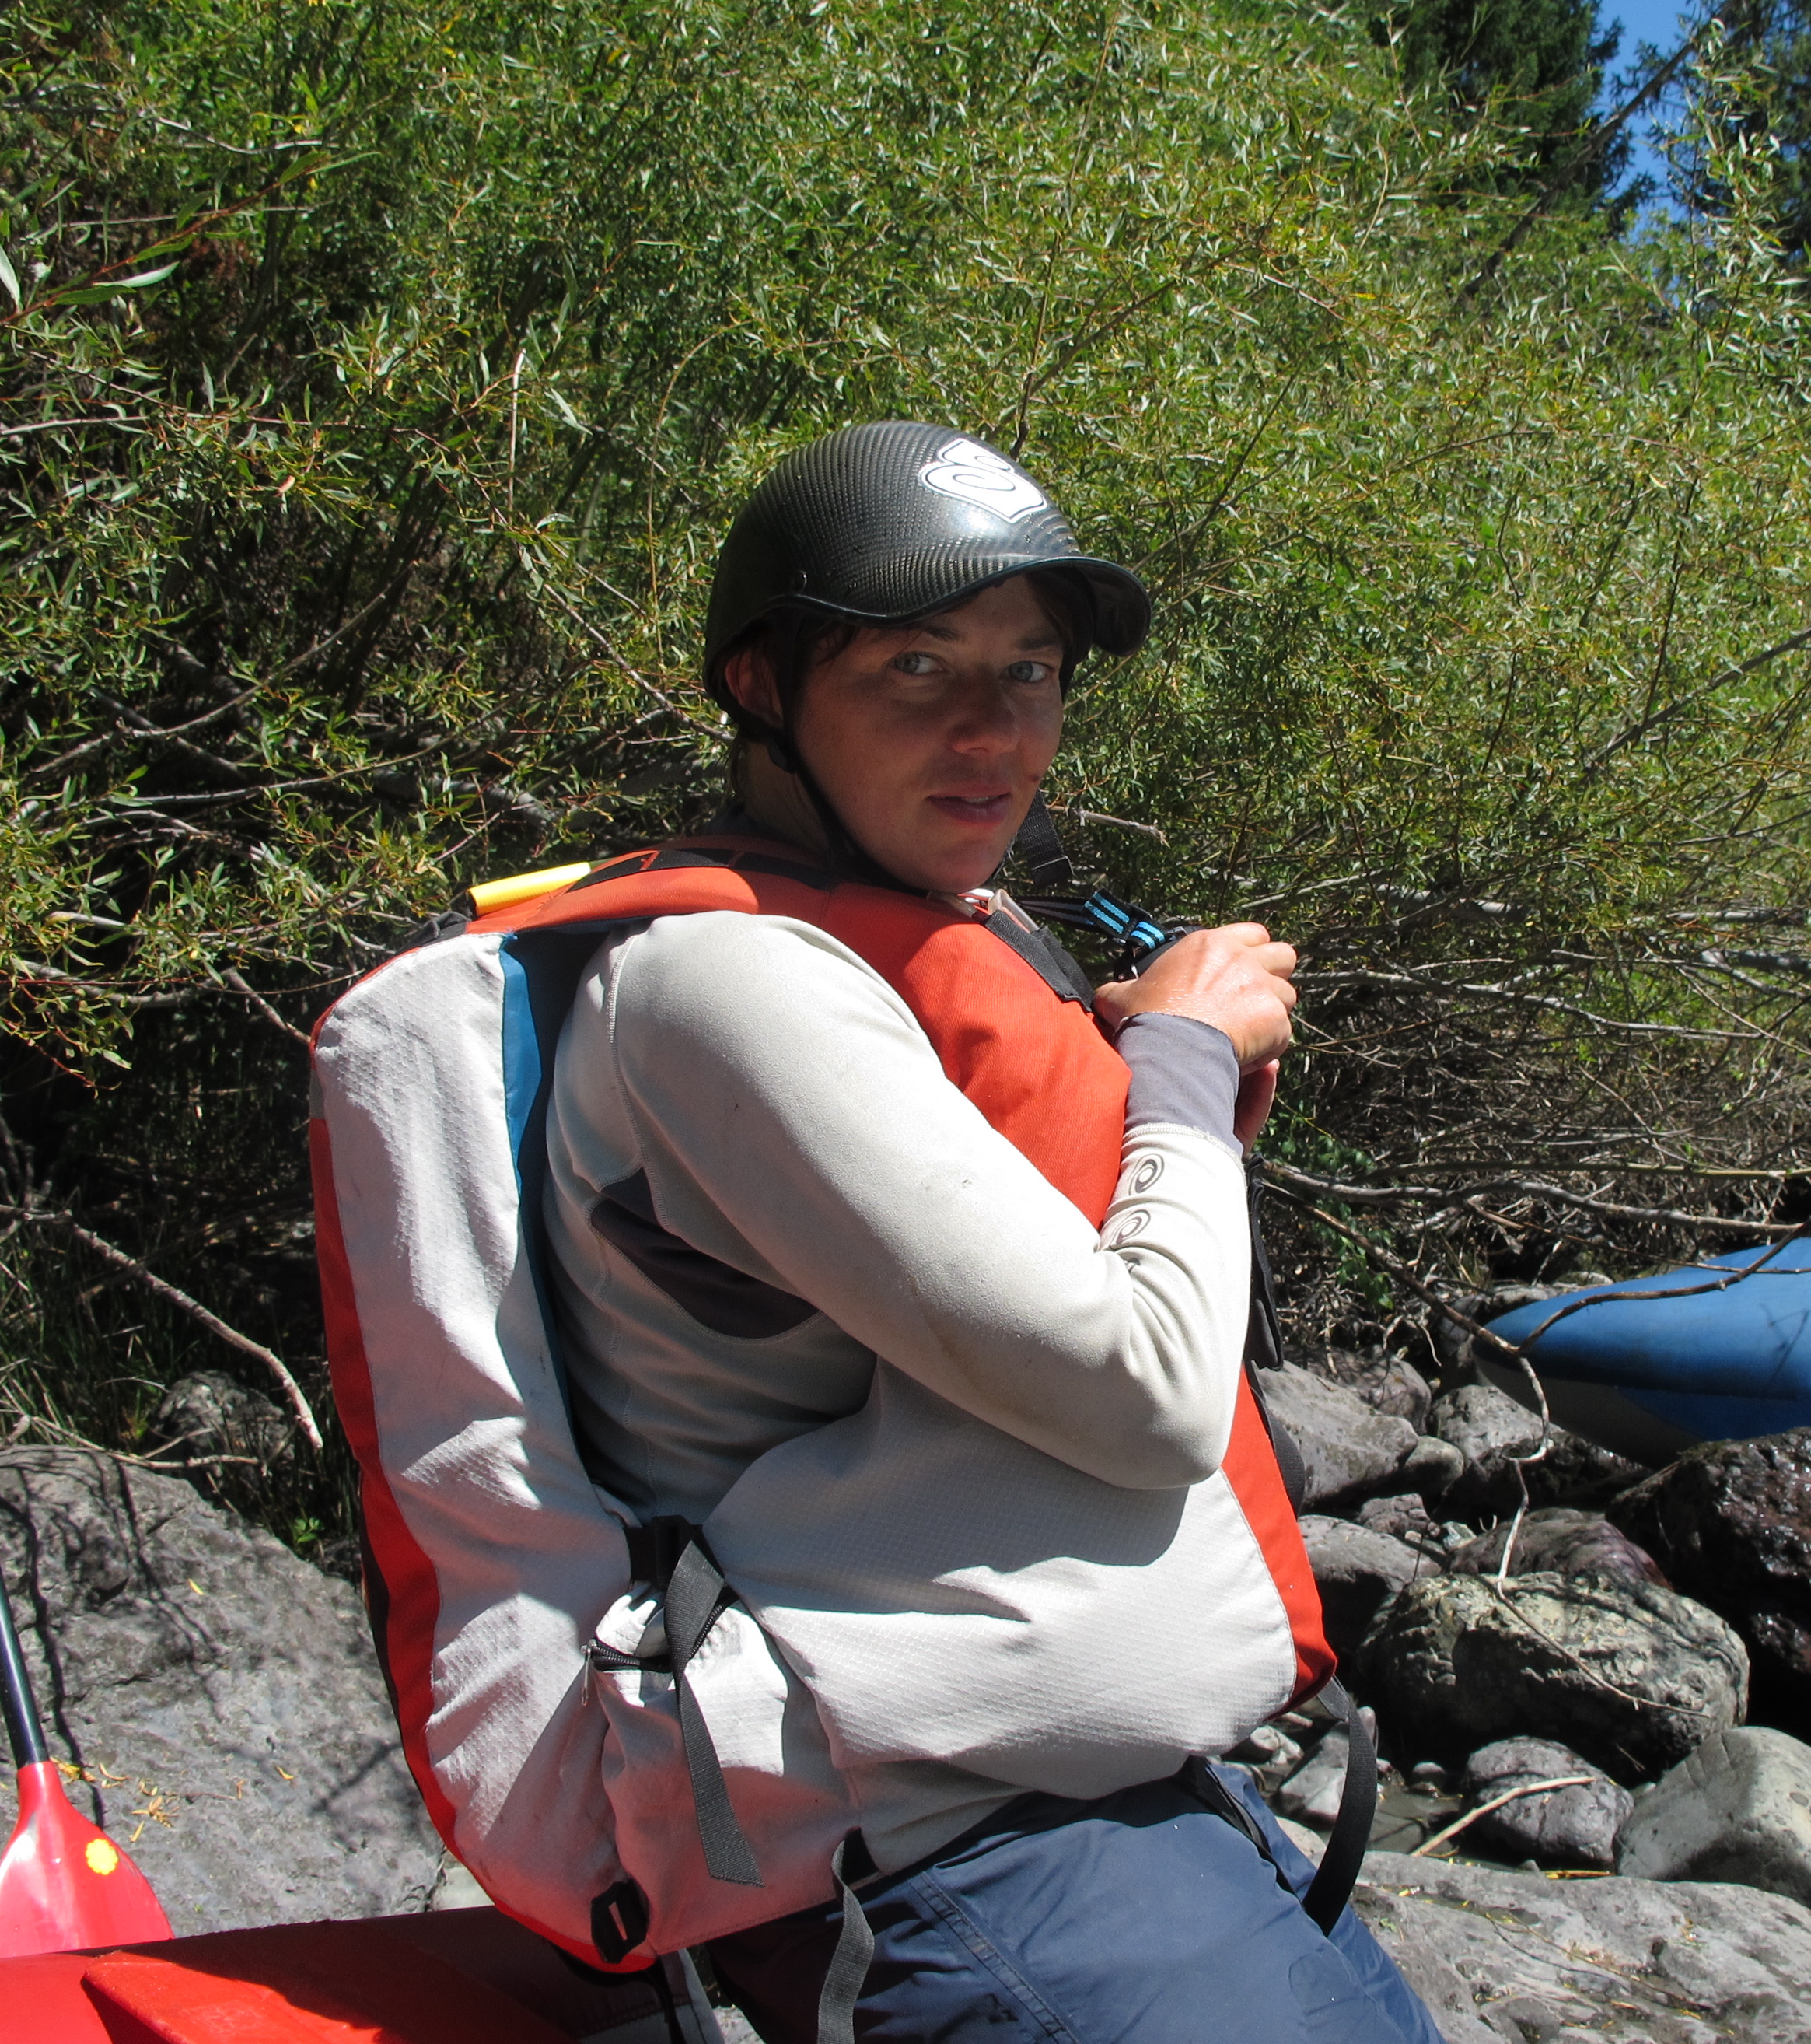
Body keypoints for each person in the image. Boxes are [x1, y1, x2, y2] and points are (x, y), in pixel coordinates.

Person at [537, 421, 1440, 2041]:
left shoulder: (879, 941)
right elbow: (1145, 1389)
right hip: (933, 1849)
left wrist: (1143, 1092)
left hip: (1065, 1778)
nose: (993, 731)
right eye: (917, 667)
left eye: (1030, 672)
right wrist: (1181, 1056)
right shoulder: (721, 985)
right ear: (760, 685)